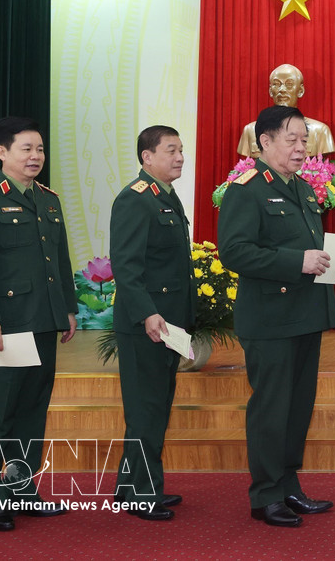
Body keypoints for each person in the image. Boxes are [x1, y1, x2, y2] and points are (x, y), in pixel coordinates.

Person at [218, 105, 335, 528]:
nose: (301, 148)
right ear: (265, 142)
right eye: (292, 140)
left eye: (304, 140)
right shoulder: (246, 188)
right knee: (271, 408)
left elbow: (309, 248)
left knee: (297, 408)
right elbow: (235, 251)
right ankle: (265, 496)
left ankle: (289, 486)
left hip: (305, 314)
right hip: (270, 319)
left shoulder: (301, 188)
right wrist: (299, 260)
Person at [0, 116, 77, 531]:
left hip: (43, 322)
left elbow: (59, 260)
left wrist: (68, 308)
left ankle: (23, 492)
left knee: (31, 411)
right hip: (6, 327)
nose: (35, 156)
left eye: (40, 149)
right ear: (2, 152)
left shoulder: (48, 199)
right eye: (26, 148)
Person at [109, 125, 195, 521]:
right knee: (145, 409)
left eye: (181, 150)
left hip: (168, 325)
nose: (179, 157)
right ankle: (143, 493)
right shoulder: (135, 199)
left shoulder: (165, 195)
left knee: (156, 406)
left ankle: (130, 487)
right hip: (147, 324)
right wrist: (147, 313)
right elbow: (126, 267)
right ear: (147, 156)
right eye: (171, 150)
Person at [236, 63, 335, 158]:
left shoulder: (320, 132)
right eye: (277, 84)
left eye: (289, 84)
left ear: (300, 91)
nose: (282, 90)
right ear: (271, 91)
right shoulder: (251, 131)